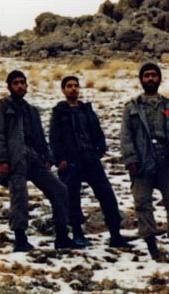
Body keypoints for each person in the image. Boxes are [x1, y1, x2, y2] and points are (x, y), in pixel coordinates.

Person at [0, 70, 78, 251]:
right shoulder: (4, 106)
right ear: (9, 87)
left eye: (22, 82)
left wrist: (47, 156)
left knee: (59, 189)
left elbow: (40, 136)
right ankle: (20, 239)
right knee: (19, 196)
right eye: (16, 83)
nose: (20, 86)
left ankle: (62, 235)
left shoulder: (31, 110)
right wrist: (1, 161)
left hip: (33, 157)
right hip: (14, 157)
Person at [120, 62, 169, 262]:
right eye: (147, 76)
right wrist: (130, 159)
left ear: (159, 78)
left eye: (154, 75)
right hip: (142, 164)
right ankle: (152, 246)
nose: (150, 79)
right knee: (143, 204)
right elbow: (125, 136)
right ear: (141, 80)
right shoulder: (132, 107)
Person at [49, 75, 132, 249]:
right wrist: (60, 159)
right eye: (69, 86)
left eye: (76, 85)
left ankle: (115, 234)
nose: (73, 88)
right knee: (72, 198)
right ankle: (77, 233)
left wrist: (99, 150)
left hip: (90, 159)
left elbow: (98, 132)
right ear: (63, 90)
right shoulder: (59, 112)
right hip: (71, 161)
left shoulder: (86, 110)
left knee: (107, 195)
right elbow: (54, 138)